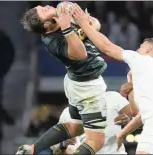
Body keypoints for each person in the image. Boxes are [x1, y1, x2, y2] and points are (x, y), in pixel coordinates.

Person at [71, 3, 153, 154]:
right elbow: (138, 111)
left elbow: (107, 47)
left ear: (148, 49)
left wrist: (84, 23)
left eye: (141, 46)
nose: (137, 49)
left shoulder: (141, 59)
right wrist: (132, 86)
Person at [17, 3, 108, 155]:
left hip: (75, 82)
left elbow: (96, 25)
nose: (47, 6)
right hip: (88, 87)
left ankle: (32, 149)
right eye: (44, 11)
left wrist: (83, 21)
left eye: (43, 6)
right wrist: (68, 27)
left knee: (75, 127)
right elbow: (81, 54)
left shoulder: (62, 16)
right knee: (96, 141)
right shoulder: (52, 41)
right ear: (46, 24)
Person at [48, 91, 134, 154]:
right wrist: (63, 145)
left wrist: (128, 121)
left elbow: (140, 120)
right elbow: (57, 150)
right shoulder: (67, 114)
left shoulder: (113, 98)